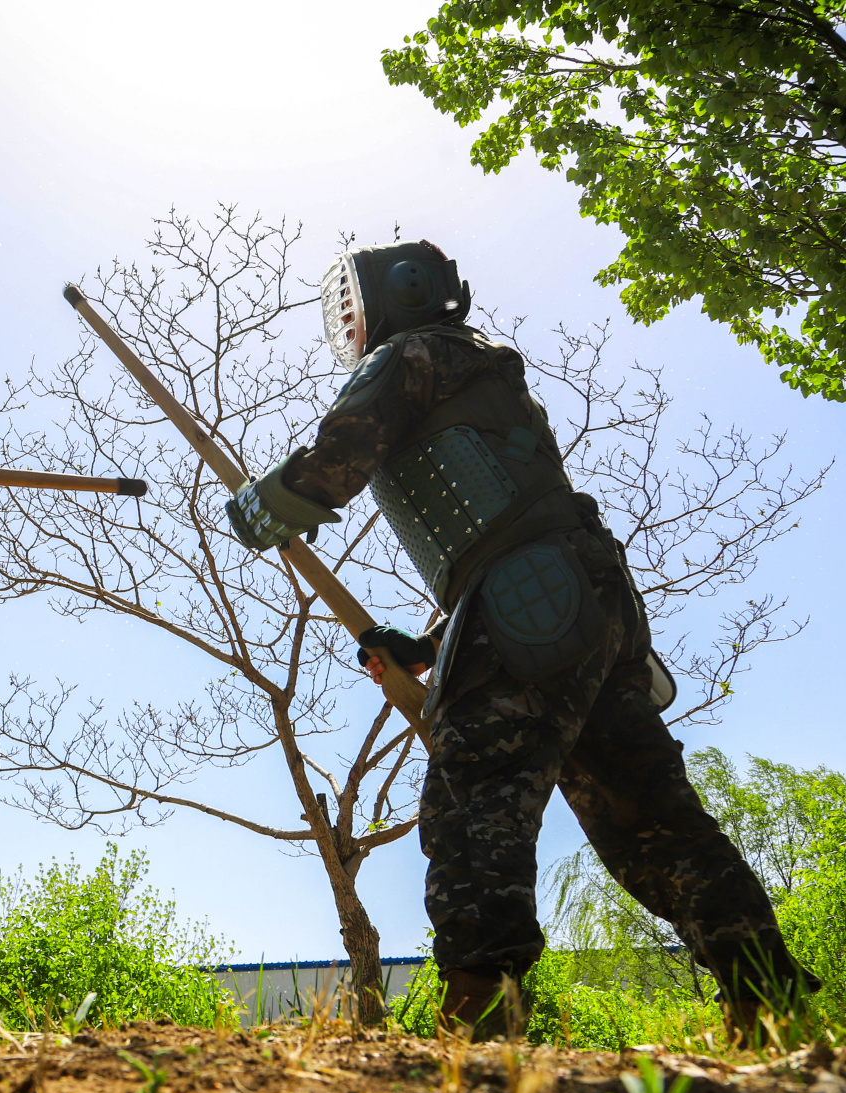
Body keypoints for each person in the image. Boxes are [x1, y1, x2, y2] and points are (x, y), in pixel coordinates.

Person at [223, 240, 816, 1040]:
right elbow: (510, 515)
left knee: (474, 798)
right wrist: (433, 643)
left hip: (529, 593)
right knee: (649, 818)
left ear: (400, 291)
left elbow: (344, 451)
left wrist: (270, 505)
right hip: (565, 598)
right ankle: (767, 1004)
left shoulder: (416, 353)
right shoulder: (477, 368)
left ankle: (480, 1018)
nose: (354, 328)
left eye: (358, 308)